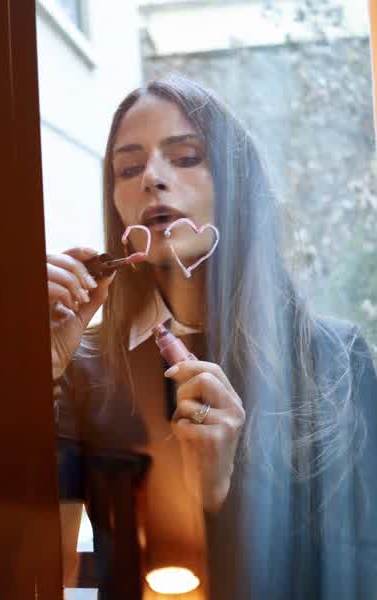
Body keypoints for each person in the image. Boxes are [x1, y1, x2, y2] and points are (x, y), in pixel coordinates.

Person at [48, 73, 377, 599]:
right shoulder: (83, 367)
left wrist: (222, 490)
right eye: (129, 168)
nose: (152, 178)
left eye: (185, 157)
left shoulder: (337, 359)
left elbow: (359, 562)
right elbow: (48, 569)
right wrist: (41, 370)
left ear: (236, 183)